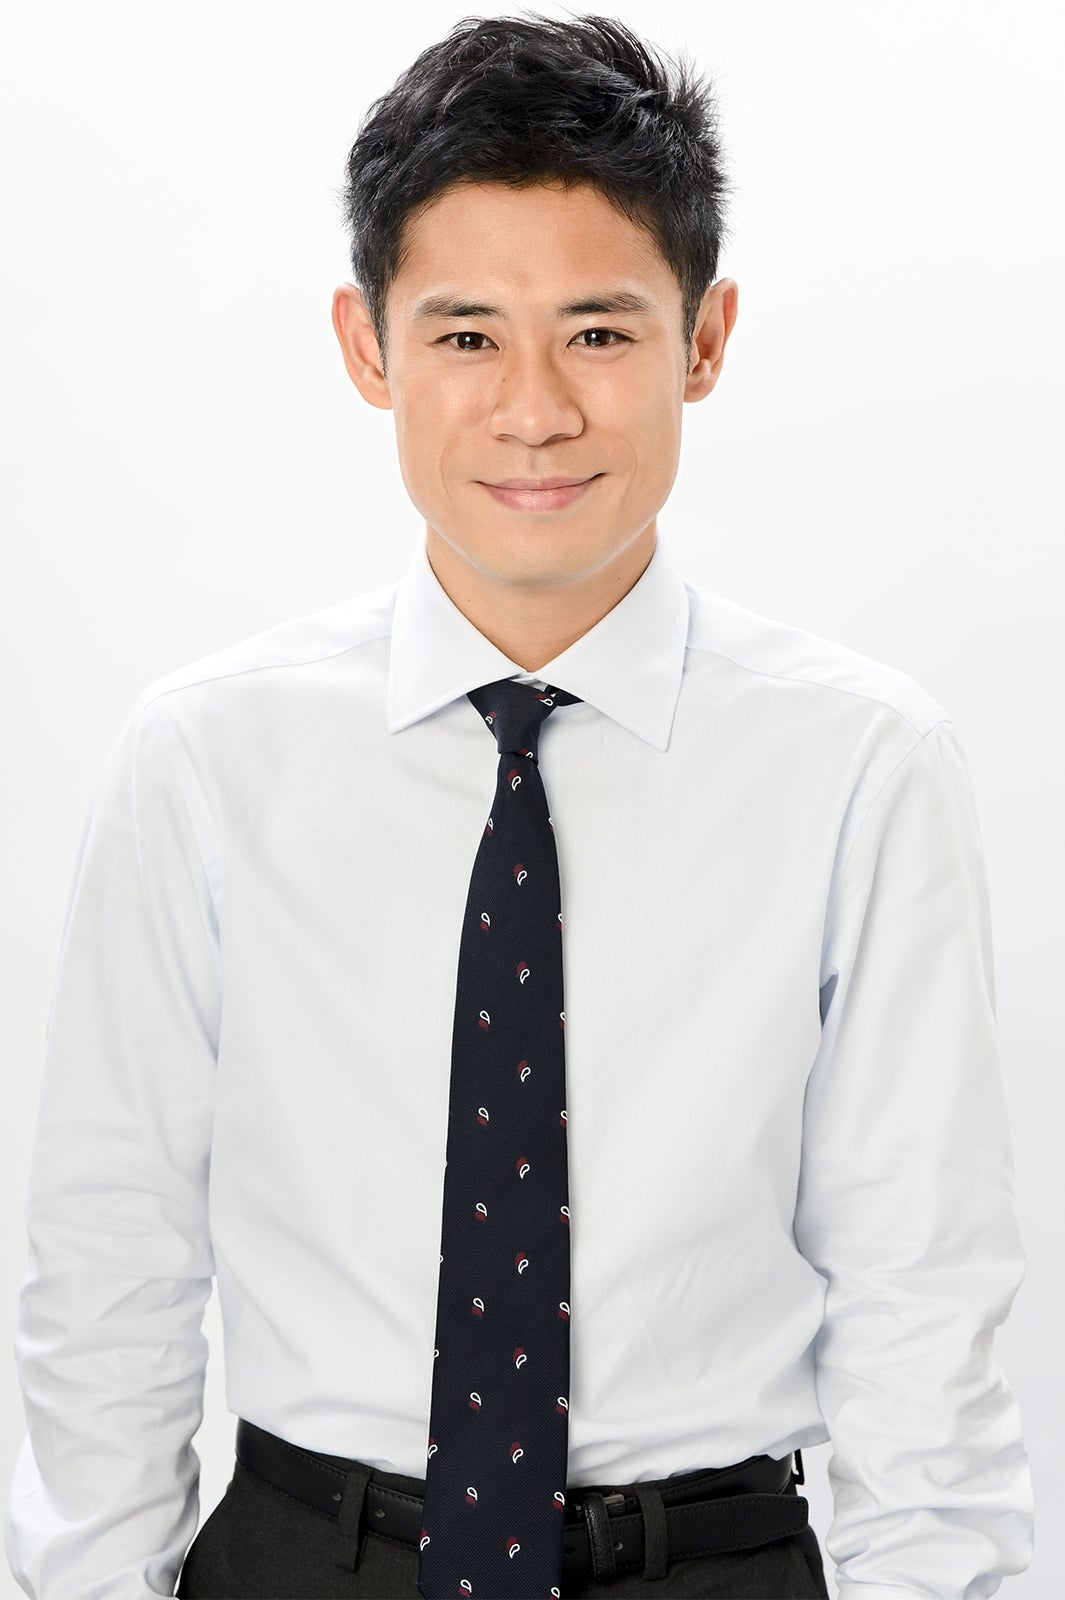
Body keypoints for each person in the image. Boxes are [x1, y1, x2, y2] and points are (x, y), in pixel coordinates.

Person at [5, 11, 1034, 1599]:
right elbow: (108, 1269)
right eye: (468, 335)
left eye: (600, 334)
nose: (536, 410)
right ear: (368, 347)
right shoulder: (205, 756)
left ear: (704, 339)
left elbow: (923, 1301)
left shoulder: (857, 764)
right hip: (309, 1557)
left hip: (708, 1564)